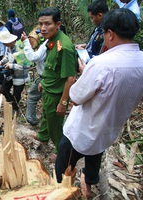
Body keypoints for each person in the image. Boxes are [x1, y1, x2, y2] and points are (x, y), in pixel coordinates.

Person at [55, 8, 143, 198]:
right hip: (109, 128)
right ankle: (90, 182)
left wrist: (85, 72)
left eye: (103, 33)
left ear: (110, 33)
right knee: (95, 154)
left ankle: (61, 190)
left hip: (81, 130)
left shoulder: (102, 64)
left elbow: (77, 97)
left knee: (63, 164)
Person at [34, 8, 77, 155]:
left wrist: (63, 102)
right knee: (46, 115)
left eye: (47, 24)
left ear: (57, 24)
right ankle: (43, 136)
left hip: (56, 94)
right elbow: (53, 68)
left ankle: (63, 154)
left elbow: (70, 78)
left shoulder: (63, 47)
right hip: (48, 88)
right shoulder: (51, 40)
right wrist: (43, 81)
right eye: (40, 24)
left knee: (55, 127)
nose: (43, 28)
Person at [0, 31, 30, 114]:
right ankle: (12, 103)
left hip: (20, 76)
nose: (5, 44)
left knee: (16, 95)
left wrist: (11, 65)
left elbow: (25, 66)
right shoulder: (9, 47)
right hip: (10, 74)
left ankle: (15, 108)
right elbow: (7, 56)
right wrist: (2, 61)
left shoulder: (20, 49)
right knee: (3, 90)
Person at [21, 29, 48, 126]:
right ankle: (43, 120)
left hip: (45, 78)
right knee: (46, 100)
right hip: (46, 77)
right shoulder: (49, 43)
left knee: (32, 96)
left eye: (40, 33)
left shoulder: (46, 45)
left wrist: (26, 42)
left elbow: (33, 57)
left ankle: (31, 119)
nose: (39, 34)